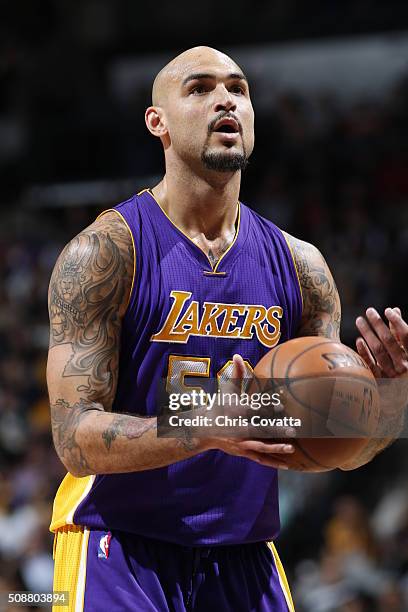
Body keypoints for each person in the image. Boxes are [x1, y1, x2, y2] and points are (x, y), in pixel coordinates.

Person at [47, 46, 407, 612]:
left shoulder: (302, 267)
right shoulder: (105, 252)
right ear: (156, 122)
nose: (225, 101)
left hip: (244, 553)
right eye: (200, 88)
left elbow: (337, 448)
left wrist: (387, 397)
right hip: (119, 545)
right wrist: (202, 427)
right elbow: (73, 439)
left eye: (238, 89)